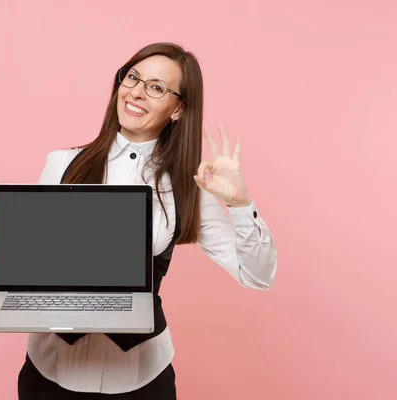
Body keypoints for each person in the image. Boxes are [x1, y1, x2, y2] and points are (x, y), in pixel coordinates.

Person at [17, 42, 277, 399]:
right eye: (133, 77)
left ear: (178, 108)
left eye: (156, 87)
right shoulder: (62, 164)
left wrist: (240, 204)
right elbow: (35, 261)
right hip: (51, 370)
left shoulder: (189, 186)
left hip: (141, 377)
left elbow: (257, 276)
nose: (136, 92)